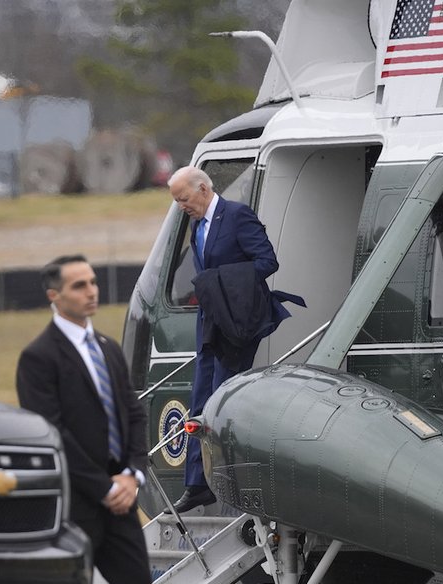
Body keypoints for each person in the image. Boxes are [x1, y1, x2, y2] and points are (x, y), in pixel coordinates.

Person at [167, 165, 296, 514]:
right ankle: (197, 484)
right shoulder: (196, 225)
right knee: (200, 396)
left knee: (224, 398)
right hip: (210, 320)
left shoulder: (238, 216)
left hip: (237, 319)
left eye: (184, 199)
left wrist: (221, 282)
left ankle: (226, 482)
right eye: (177, 201)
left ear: (203, 189)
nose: (181, 206)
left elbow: (267, 262)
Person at [16, 255, 151, 584]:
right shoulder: (39, 357)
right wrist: (104, 489)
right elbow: (53, 433)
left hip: (122, 499)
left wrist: (132, 475)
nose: (91, 291)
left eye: (93, 282)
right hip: (75, 506)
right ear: (54, 296)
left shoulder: (109, 348)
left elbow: (133, 414)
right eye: (79, 285)